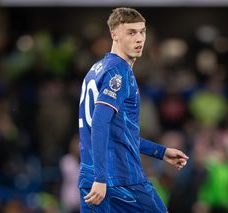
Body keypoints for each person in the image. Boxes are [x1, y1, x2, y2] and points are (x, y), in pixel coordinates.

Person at [78, 7, 189, 212]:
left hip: (90, 175)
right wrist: (102, 178)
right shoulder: (118, 72)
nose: (139, 39)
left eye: (142, 31)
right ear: (114, 35)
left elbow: (117, 132)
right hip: (120, 177)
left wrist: (160, 152)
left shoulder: (96, 69)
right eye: (131, 32)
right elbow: (100, 123)